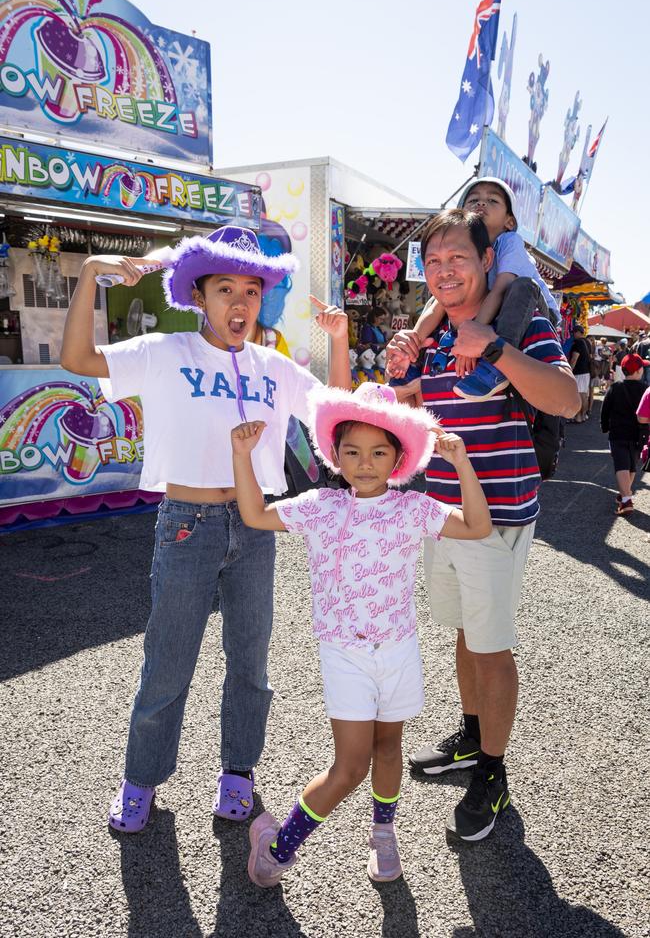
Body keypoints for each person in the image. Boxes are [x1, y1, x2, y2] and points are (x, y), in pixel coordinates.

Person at [60, 225, 351, 833]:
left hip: (256, 524)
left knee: (250, 663)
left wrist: (342, 341)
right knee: (168, 663)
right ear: (198, 294)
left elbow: (339, 415)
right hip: (186, 523)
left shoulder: (274, 366)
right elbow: (78, 361)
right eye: (225, 288)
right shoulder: (165, 350)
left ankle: (237, 776)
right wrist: (90, 275)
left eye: (251, 288)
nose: (240, 302)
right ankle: (139, 782)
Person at [230, 381, 492, 886]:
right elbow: (254, 514)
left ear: (398, 459)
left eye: (378, 452)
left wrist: (462, 464)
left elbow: (478, 526)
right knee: (349, 768)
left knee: (390, 748)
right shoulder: (320, 506)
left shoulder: (412, 508)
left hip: (398, 650)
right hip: (344, 655)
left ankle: (384, 834)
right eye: (352, 451)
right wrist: (241, 455)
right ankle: (279, 848)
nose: (365, 462)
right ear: (335, 455)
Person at [386, 209, 580, 842]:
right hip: (443, 512)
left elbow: (568, 399)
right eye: (434, 261)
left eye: (458, 259)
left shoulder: (520, 324)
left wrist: (496, 348)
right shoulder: (435, 335)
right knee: (467, 631)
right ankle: (473, 739)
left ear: (485, 261)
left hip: (497, 516)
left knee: (492, 647)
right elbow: (413, 408)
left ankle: (493, 776)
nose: (445, 271)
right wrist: (399, 376)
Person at [387, 178, 560, 401]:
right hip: (497, 309)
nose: (481, 204)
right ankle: (414, 361)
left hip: (531, 307)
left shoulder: (510, 242)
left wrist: (471, 337)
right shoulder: (468, 255)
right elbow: (436, 306)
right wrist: (411, 345)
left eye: (492, 200)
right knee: (441, 297)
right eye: (474, 200)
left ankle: (495, 368)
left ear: (509, 221)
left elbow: (500, 291)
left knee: (522, 286)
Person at [600, 352, 649, 515]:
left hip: (618, 432)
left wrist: (605, 426)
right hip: (639, 433)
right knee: (631, 465)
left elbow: (605, 409)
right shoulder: (645, 389)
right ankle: (624, 494)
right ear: (638, 371)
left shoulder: (616, 387)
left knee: (620, 464)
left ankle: (626, 499)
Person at [568, 324, 592, 422]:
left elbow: (574, 359)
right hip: (586, 371)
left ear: (578, 332)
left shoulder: (577, 343)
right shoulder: (588, 342)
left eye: (574, 332)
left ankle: (578, 417)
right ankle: (583, 416)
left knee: (579, 395)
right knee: (584, 395)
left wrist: (569, 371)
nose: (573, 334)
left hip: (579, 372)